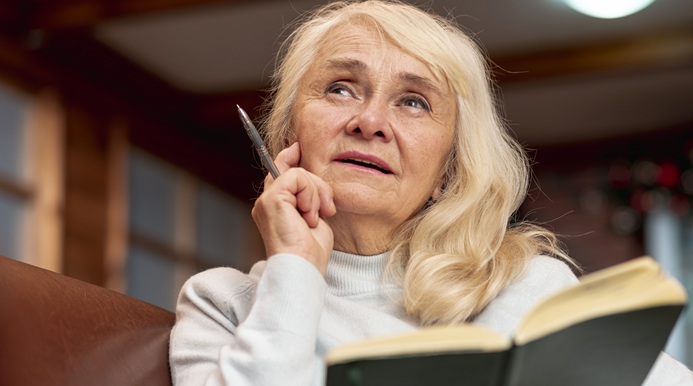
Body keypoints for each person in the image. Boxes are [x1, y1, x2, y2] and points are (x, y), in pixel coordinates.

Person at [169, 1, 693, 385]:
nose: (370, 121)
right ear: (288, 135)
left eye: (414, 102)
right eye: (340, 88)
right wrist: (297, 270)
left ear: (448, 167)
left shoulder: (524, 286)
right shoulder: (221, 304)